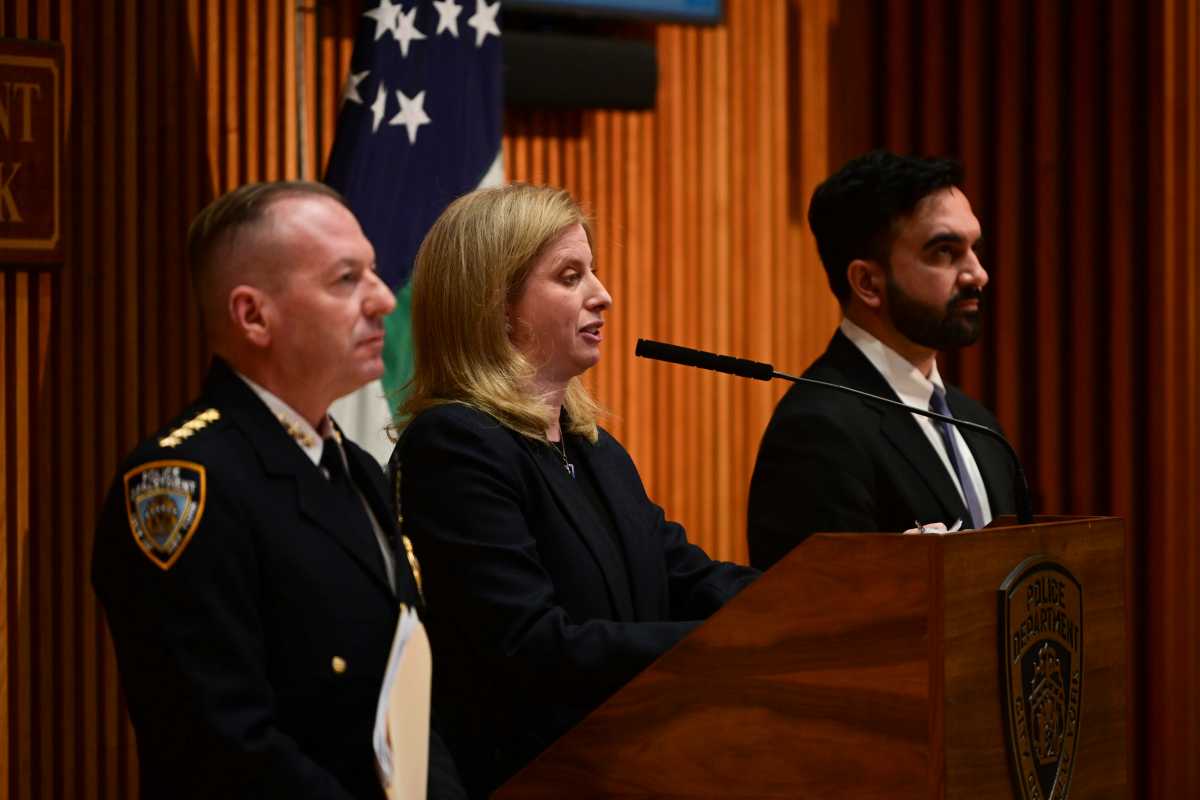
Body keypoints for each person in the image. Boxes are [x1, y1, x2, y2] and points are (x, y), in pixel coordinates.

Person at [91, 181, 463, 799]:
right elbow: (221, 748)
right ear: (253, 315)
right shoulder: (185, 485)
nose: (382, 300)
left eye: (372, 272)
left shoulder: (357, 470)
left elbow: (407, 699)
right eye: (346, 279)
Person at [389, 183, 760, 796]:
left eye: (593, 272)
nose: (603, 295)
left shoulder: (594, 448)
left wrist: (826, 590)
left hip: (630, 767)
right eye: (570, 276)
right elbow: (528, 646)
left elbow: (685, 577)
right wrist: (725, 645)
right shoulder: (454, 446)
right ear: (497, 305)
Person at [747, 151, 1017, 570]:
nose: (977, 273)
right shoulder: (817, 430)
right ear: (868, 282)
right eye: (945, 251)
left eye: (974, 249)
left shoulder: (979, 425)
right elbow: (815, 617)